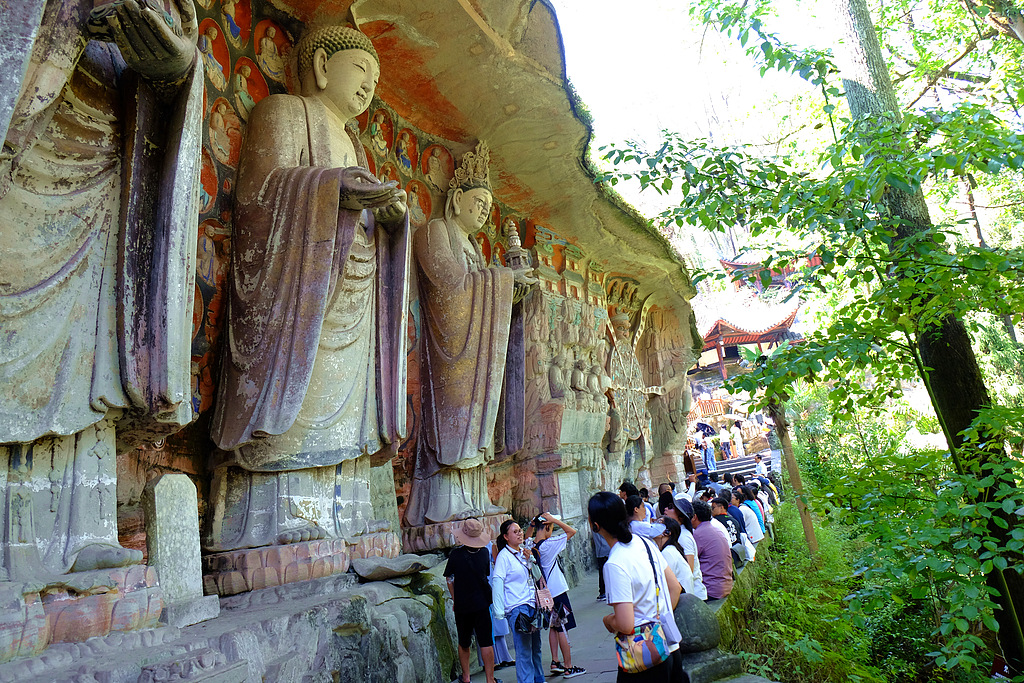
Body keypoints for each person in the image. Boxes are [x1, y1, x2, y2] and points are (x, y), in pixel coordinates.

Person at [208, 25, 410, 551]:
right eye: (360, 69)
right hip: (298, 297)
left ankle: (343, 523)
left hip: (351, 295)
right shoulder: (283, 113)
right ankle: (277, 531)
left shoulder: (355, 144)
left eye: (376, 77)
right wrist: (330, 188)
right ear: (322, 65)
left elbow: (361, 213)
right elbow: (258, 199)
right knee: (298, 412)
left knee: (345, 423)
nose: (369, 84)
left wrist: (386, 217)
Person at [406, 141, 536, 525]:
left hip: (476, 350)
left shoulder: (476, 250)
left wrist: (510, 289)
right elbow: (448, 286)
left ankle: (474, 497)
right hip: (449, 348)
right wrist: (500, 281)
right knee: (453, 422)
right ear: (457, 197)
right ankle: (442, 503)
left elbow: (478, 284)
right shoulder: (435, 232)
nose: (482, 212)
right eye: (477, 202)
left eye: (487, 207)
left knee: (479, 421)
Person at [589, 492, 683, 683]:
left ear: (595, 525)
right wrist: (658, 622)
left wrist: (608, 620)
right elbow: (675, 587)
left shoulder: (614, 564)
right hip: (670, 647)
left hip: (643, 658)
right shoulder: (646, 544)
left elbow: (625, 624)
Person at [445, 519, 500, 683]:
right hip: (482, 602)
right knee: (486, 641)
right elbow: (485, 574)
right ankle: (490, 679)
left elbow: (449, 579)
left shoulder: (455, 554)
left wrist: (455, 598)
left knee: (464, 641)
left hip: (462, 604)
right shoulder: (484, 553)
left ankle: (467, 676)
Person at [531, 513, 585, 679]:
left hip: (544, 594)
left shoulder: (529, 544)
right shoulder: (548, 545)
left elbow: (528, 535)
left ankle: (555, 661)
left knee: (554, 626)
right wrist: (555, 520)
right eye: (551, 527)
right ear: (547, 526)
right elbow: (572, 531)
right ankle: (568, 667)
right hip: (557, 592)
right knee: (562, 627)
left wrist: (532, 525)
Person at [493, 520, 545, 683]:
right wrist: (499, 610)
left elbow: (537, 577)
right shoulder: (503, 557)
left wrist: (532, 561)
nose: (520, 533)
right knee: (523, 650)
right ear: (506, 537)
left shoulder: (524, 552)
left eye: (520, 530)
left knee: (536, 647)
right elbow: (497, 580)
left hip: (531, 603)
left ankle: (539, 678)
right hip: (517, 607)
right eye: (515, 532)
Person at [659, 497, 708, 601]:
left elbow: (688, 570)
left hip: (692, 596)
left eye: (671, 507)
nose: (665, 509)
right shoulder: (680, 534)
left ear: (681, 517)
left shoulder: (683, 537)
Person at [690, 501, 733, 600]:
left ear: (694, 517)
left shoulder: (698, 534)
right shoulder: (715, 529)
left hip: (712, 590)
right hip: (724, 585)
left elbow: (689, 565)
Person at [653, 517, 695, 595]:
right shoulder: (670, 549)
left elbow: (665, 584)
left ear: (667, 532)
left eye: (658, 523)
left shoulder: (668, 553)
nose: (653, 525)